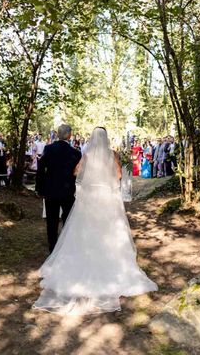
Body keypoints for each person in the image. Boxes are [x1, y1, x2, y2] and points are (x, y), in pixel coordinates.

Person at [33, 127, 157, 315]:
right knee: (108, 230)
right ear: (106, 138)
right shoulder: (113, 153)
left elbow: (76, 172)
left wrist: (89, 179)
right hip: (106, 197)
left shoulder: (87, 154)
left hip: (91, 197)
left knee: (85, 228)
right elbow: (118, 175)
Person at [35, 124, 82, 253]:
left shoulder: (48, 149)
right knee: (68, 221)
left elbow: (40, 170)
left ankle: (52, 249)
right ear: (69, 135)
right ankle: (67, 248)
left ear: (58, 134)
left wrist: (39, 188)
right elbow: (78, 174)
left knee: (51, 221)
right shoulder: (76, 153)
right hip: (67, 192)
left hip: (51, 191)